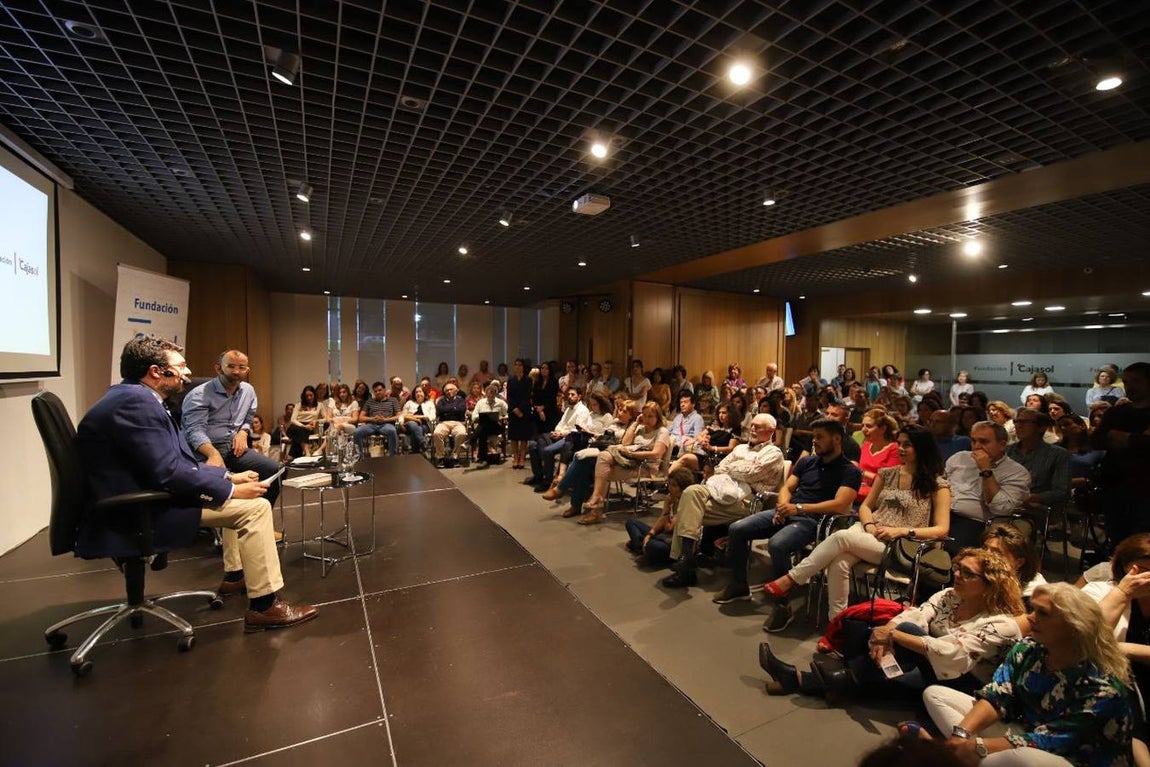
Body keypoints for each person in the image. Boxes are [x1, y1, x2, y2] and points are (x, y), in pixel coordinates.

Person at [76, 335, 316, 631]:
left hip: (142, 493)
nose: (188, 374)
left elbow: (171, 463)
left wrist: (226, 476)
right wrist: (229, 488)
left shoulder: (133, 397)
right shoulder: (136, 404)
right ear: (156, 371)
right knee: (254, 509)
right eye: (181, 367)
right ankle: (264, 606)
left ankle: (236, 575)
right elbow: (169, 471)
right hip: (137, 509)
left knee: (242, 499)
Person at [762, 548, 1024, 699]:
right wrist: (886, 631)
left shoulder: (1001, 623)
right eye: (958, 568)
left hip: (961, 682)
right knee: (901, 631)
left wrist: (896, 637)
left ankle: (806, 679)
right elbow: (917, 614)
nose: (957, 575)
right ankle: (812, 680)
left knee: (903, 638)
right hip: (923, 662)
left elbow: (954, 655)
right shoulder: (950, 596)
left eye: (968, 573)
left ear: (991, 585)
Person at [921, 583, 1133, 767]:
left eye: (1043, 613)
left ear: (1073, 626)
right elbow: (998, 695)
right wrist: (961, 736)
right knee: (935, 695)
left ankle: (963, 757)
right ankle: (963, 755)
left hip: (1068, 757)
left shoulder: (1103, 688)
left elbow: (1051, 740)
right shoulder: (1028, 648)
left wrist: (978, 746)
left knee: (1025, 759)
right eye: (1033, 609)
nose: (1030, 618)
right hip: (1024, 732)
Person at [761, 424, 951, 620]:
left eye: (908, 445)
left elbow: (941, 529)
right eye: (900, 444)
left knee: (841, 537)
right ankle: (837, 626)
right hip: (869, 531)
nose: (901, 449)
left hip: (901, 544)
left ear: (922, 448)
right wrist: (869, 526)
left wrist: (901, 531)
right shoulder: (887, 474)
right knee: (839, 562)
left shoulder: (938, 485)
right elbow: (865, 507)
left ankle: (792, 579)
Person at [719, 419, 861, 627]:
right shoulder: (807, 462)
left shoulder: (850, 471)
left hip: (814, 521)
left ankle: (782, 606)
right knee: (737, 528)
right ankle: (739, 584)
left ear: (837, 439)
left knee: (778, 544)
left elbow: (840, 505)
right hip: (788, 512)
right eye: (814, 436)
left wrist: (799, 509)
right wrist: (783, 507)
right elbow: (787, 487)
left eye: (820, 437)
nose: (815, 441)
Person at [661, 414, 785, 590]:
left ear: (771, 431)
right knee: (690, 491)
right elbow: (720, 468)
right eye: (752, 426)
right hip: (719, 490)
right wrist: (739, 467)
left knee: (687, 507)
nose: (752, 429)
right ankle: (687, 558)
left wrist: (733, 467)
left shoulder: (774, 453)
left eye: (758, 427)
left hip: (746, 500)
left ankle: (684, 564)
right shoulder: (741, 448)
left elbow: (751, 472)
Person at [181, 349, 282, 507]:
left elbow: (249, 416)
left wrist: (243, 432)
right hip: (203, 450)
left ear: (247, 370)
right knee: (214, 483)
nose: (236, 371)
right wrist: (213, 454)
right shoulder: (199, 395)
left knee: (275, 470)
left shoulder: (248, 390)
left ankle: (262, 517)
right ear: (218, 368)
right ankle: (216, 526)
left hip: (233, 448)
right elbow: (194, 431)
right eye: (231, 366)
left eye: (242, 367)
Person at [579, 402, 671, 526]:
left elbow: (656, 454)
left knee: (604, 472)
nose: (647, 419)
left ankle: (597, 508)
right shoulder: (640, 428)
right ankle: (597, 500)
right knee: (603, 457)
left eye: (650, 416)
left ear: (658, 417)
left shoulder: (662, 431)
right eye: (644, 415)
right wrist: (635, 424)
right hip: (628, 461)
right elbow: (625, 443)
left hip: (646, 467)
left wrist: (632, 454)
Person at [945, 421, 1032, 549]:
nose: (976, 446)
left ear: (1002, 445)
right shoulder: (959, 458)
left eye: (983, 442)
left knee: (950, 547)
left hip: (975, 522)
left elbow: (1001, 509)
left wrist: (986, 470)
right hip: (943, 513)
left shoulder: (1017, 473)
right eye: (973, 441)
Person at [1091, 363, 1150, 546]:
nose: (1130, 386)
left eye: (1137, 381)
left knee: (1142, 542)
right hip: (1115, 485)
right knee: (1118, 540)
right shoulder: (1116, 412)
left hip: (1145, 488)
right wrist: (1137, 439)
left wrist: (1120, 436)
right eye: (1126, 382)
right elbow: (1097, 441)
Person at [624, 468, 697, 567]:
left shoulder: (686, 503)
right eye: (669, 484)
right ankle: (644, 547)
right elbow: (662, 521)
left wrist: (667, 506)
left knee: (654, 545)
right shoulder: (673, 498)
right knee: (631, 522)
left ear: (683, 488)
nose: (670, 488)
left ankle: (642, 547)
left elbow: (669, 528)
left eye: (674, 485)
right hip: (663, 535)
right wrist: (650, 534)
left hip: (673, 542)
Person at [525, 386, 591, 491]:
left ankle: (548, 480)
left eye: (572, 395)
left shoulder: (583, 410)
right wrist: (557, 431)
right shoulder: (569, 408)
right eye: (569, 394)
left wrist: (561, 434)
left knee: (546, 450)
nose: (569, 396)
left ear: (579, 396)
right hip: (560, 435)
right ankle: (538, 476)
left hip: (569, 439)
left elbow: (578, 430)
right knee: (533, 445)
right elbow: (561, 423)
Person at [1006, 408, 1070, 511]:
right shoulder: (1006, 451)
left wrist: (1031, 498)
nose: (1019, 425)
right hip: (1004, 504)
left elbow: (1061, 492)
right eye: (1017, 421)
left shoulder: (1058, 454)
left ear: (1041, 428)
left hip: (1036, 509)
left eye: (1025, 422)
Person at [981, 522, 1045, 600]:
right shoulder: (980, 573)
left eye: (996, 553)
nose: (985, 557)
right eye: (984, 549)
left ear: (1019, 562)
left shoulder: (1033, 595)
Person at [858, 409, 901, 501]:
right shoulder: (865, 445)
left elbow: (889, 481)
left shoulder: (894, 449)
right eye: (863, 426)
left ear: (883, 429)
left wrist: (863, 473)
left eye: (869, 426)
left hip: (880, 498)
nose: (863, 430)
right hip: (859, 493)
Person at [354, 380, 403, 455]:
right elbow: (361, 418)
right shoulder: (369, 401)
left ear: (384, 390)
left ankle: (393, 457)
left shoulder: (393, 400)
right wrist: (372, 419)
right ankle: (359, 456)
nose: (378, 392)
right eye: (375, 391)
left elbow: (399, 415)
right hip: (371, 425)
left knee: (392, 431)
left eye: (380, 390)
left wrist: (385, 419)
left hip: (386, 424)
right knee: (357, 432)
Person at [505, 358, 533, 470]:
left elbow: (527, 396)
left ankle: (522, 458)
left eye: (520, 365)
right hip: (513, 411)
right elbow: (509, 397)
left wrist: (520, 409)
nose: (517, 367)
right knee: (514, 437)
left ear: (523, 367)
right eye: (515, 365)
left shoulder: (528, 380)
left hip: (524, 411)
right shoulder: (511, 380)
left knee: (523, 437)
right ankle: (515, 458)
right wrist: (515, 409)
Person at [432, 382, 469, 466]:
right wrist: (454, 409)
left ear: (456, 391)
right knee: (437, 433)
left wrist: (447, 410)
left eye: (451, 389)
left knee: (461, 433)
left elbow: (461, 410)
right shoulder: (441, 401)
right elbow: (441, 410)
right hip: (443, 422)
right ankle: (440, 457)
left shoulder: (461, 400)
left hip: (458, 423)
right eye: (447, 390)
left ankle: (455, 457)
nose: (449, 392)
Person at [472, 381, 508, 464]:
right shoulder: (480, 403)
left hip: (496, 427)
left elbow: (507, 414)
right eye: (489, 392)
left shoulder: (501, 403)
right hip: (484, 428)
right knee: (483, 429)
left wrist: (500, 418)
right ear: (486, 393)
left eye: (493, 393)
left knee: (483, 426)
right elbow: (474, 415)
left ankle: (471, 441)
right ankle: (483, 458)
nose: (491, 394)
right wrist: (479, 418)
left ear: (496, 394)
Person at [287, 385, 322, 458]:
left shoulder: (320, 405)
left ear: (314, 395)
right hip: (296, 426)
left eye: (311, 395)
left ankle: (291, 456)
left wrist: (316, 421)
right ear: (304, 396)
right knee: (297, 429)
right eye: (307, 396)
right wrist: (304, 426)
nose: (309, 397)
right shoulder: (299, 405)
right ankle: (307, 452)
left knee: (297, 437)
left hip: (310, 427)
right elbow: (293, 420)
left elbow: (326, 419)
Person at [400, 384, 434, 454]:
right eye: (416, 392)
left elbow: (432, 416)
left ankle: (415, 453)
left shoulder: (429, 403)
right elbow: (403, 415)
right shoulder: (409, 403)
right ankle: (423, 444)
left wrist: (417, 417)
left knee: (417, 430)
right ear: (414, 394)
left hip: (424, 425)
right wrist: (401, 423)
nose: (418, 393)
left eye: (420, 392)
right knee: (413, 424)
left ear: (424, 393)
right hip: (408, 425)